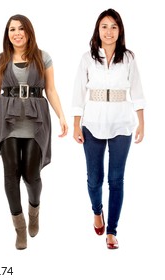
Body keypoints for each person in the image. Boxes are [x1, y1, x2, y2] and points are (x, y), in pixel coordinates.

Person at [0, 14, 68, 250]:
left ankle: (34, 209)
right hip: (7, 121)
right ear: (7, 34)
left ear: (29, 31)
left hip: (35, 122)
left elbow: (51, 90)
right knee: (10, 175)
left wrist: (62, 116)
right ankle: (20, 227)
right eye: (12, 29)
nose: (17, 33)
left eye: (21, 28)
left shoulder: (43, 57)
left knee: (31, 175)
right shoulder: (0, 60)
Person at [72, 8, 145, 250]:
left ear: (120, 30)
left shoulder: (129, 58)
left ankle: (112, 231)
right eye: (104, 26)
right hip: (92, 123)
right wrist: (76, 124)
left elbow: (137, 92)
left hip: (122, 123)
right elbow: (78, 92)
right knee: (94, 179)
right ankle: (97, 211)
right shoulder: (87, 58)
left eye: (114, 26)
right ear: (97, 30)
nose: (109, 31)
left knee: (116, 180)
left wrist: (141, 122)